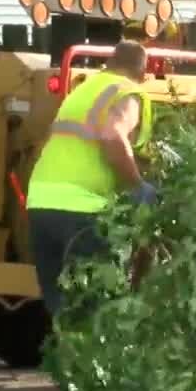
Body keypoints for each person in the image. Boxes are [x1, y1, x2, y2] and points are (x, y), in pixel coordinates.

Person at [26, 40, 158, 322]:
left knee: (61, 308)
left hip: (40, 204)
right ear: (142, 74)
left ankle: (69, 363)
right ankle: (99, 363)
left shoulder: (83, 90)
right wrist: (138, 185)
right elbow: (112, 135)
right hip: (83, 210)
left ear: (108, 64)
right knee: (97, 305)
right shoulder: (129, 92)